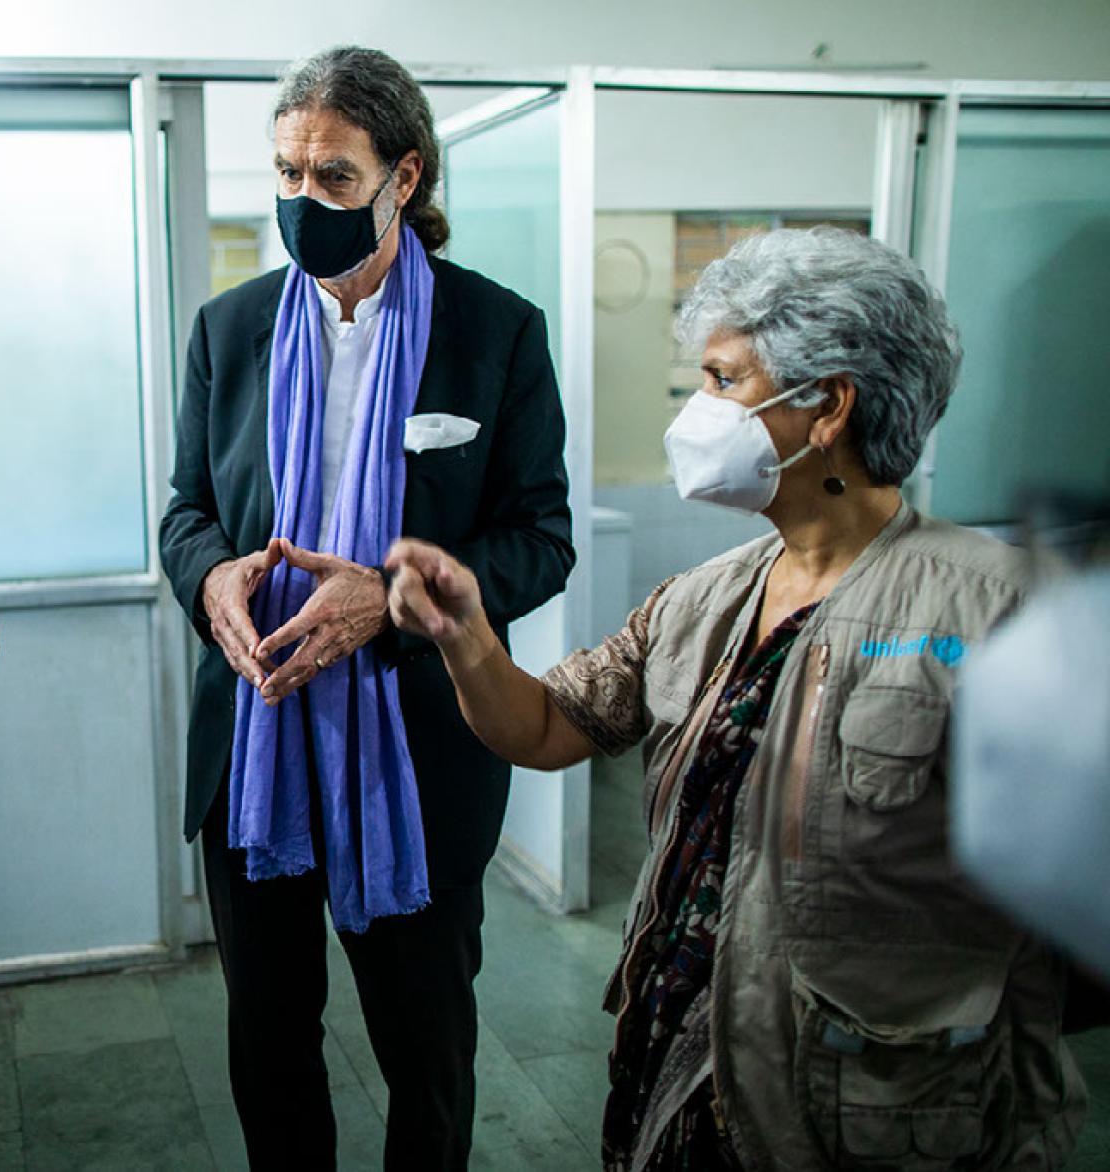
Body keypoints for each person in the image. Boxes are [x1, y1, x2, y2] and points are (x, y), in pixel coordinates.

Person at [385, 227, 1086, 1170]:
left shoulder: (996, 611)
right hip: (680, 1075)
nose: (697, 414)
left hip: (865, 1112)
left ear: (828, 405)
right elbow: (546, 726)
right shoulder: (708, 597)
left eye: (722, 381)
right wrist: (463, 632)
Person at [159, 46, 573, 1170]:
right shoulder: (230, 329)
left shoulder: (494, 332)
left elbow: (541, 540)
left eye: (335, 177)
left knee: (424, 1050)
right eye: (287, 174)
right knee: (269, 1043)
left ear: (405, 176)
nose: (304, 199)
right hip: (255, 741)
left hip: (417, 752)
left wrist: (387, 601)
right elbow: (187, 512)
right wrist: (211, 576)